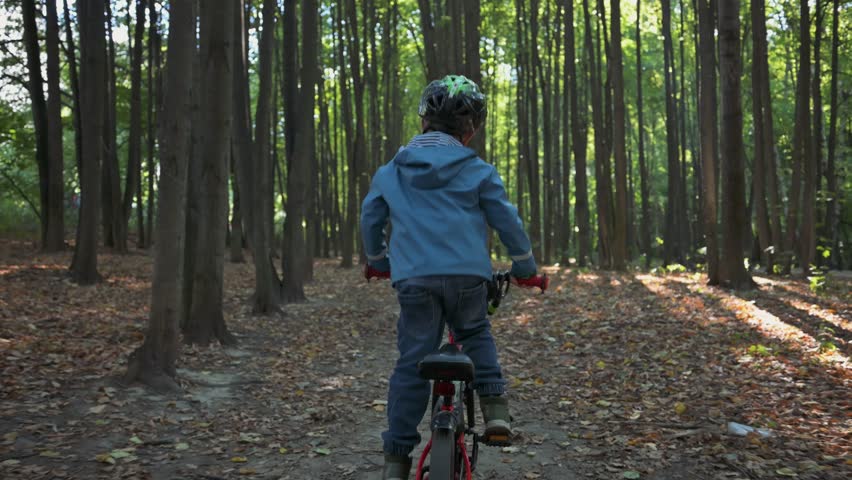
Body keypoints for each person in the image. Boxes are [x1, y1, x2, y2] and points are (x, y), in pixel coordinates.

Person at [360, 74, 538, 480]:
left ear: (423, 121)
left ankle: (395, 461)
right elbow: (506, 221)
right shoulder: (478, 170)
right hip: (467, 277)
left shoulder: (392, 170)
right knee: (474, 332)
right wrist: (525, 266)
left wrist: (378, 260)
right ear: (471, 130)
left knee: (411, 362)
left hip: (415, 280)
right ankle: (496, 412)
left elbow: (371, 217)